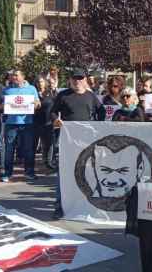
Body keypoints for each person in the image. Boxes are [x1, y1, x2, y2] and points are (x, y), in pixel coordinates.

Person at [51, 68, 105, 218]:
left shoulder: (91, 96)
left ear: (85, 80)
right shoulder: (63, 95)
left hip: (87, 140)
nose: (77, 81)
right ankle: (59, 206)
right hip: (67, 140)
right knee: (64, 173)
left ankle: (88, 204)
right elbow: (53, 112)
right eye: (74, 78)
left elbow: (101, 112)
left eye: (80, 78)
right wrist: (56, 120)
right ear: (70, 80)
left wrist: (97, 126)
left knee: (88, 172)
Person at [0, 70, 40, 183]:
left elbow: (38, 103)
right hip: (11, 123)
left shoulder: (31, 89)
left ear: (23, 76)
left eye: (16, 75)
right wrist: (3, 106)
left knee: (28, 149)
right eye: (13, 75)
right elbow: (0, 105)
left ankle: (29, 172)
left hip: (27, 123)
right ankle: (7, 173)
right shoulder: (6, 90)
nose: (14, 77)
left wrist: (35, 105)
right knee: (9, 149)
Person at [34, 76, 55, 168]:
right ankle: (34, 162)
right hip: (36, 121)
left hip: (49, 122)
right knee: (37, 143)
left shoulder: (50, 92)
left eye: (42, 81)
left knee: (49, 143)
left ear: (45, 83)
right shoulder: (33, 93)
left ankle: (48, 161)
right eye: (38, 82)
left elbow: (56, 105)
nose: (40, 83)